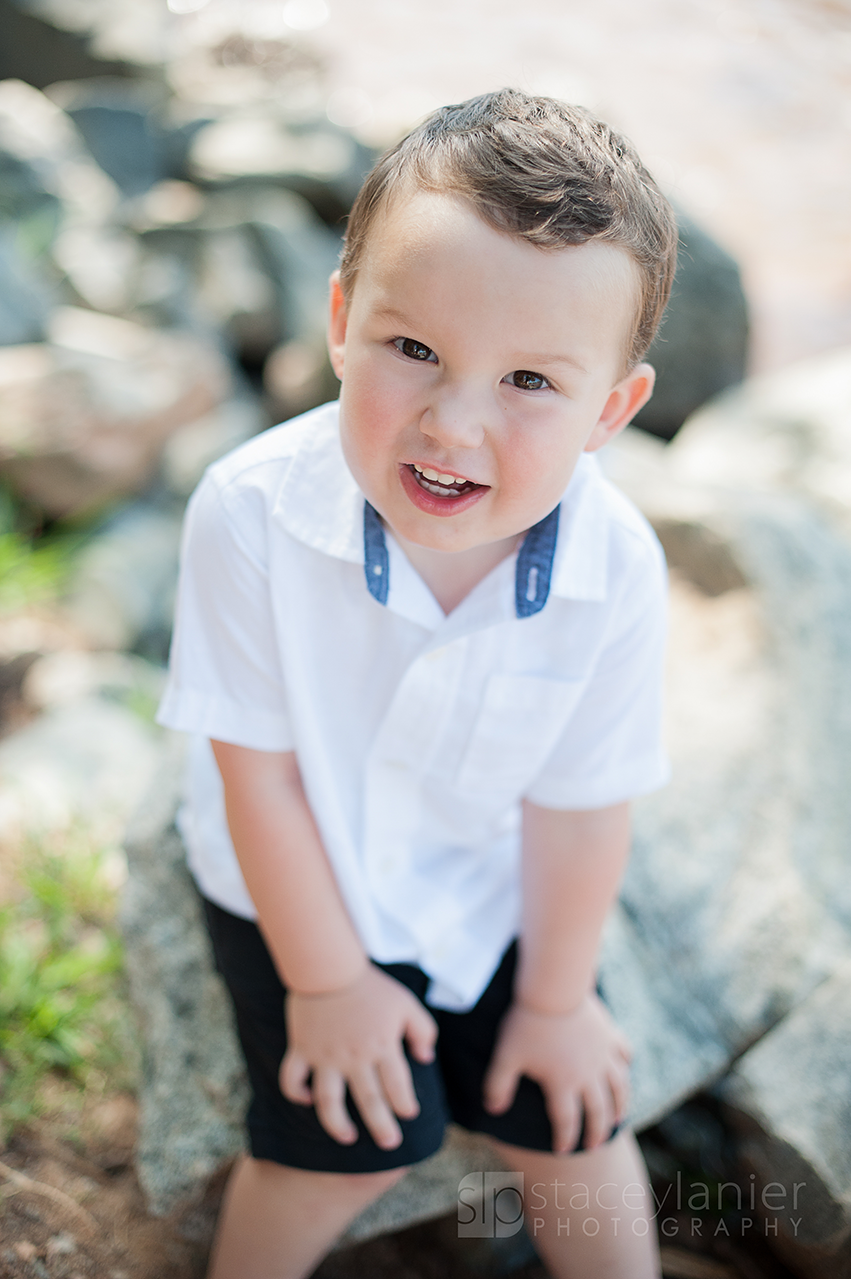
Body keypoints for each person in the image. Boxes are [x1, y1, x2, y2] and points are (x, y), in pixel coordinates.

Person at [157, 88, 678, 1279]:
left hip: (475, 877)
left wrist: (553, 999)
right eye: (413, 350)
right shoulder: (251, 514)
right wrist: (329, 983)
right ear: (341, 320)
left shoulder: (615, 571)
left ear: (611, 409)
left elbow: (581, 800)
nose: (453, 422)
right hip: (295, 866)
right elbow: (262, 779)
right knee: (346, 1144)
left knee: (572, 1121)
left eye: (529, 384)